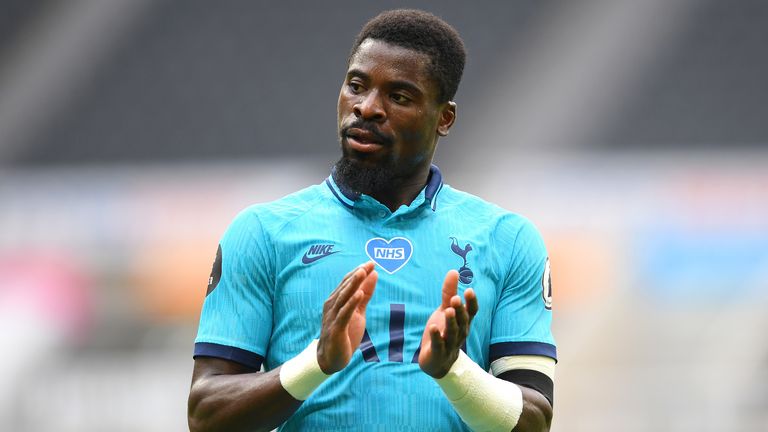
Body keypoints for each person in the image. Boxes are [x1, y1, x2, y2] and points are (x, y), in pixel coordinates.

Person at [188, 9, 556, 432]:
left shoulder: (509, 240)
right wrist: (316, 363)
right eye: (357, 86)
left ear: (445, 118)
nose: (367, 108)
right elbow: (205, 415)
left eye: (398, 97)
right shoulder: (262, 233)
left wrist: (453, 370)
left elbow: (535, 421)